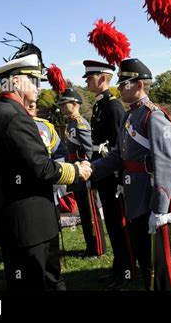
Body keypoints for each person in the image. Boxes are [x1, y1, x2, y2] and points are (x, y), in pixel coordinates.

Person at [0, 34, 92, 291]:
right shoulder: (15, 117)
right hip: (29, 227)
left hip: (20, 224)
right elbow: (42, 167)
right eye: (34, 81)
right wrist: (77, 171)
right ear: (16, 81)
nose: (39, 88)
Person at [91, 58, 171, 291]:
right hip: (133, 198)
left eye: (124, 83)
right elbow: (118, 156)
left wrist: (160, 209)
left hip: (150, 200)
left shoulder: (154, 116)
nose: (118, 87)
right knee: (145, 261)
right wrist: (92, 168)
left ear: (138, 85)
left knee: (161, 266)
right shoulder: (130, 117)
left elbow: (166, 164)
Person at [83, 60, 136, 288]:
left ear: (103, 78)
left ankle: (127, 271)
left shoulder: (113, 106)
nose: (86, 80)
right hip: (102, 174)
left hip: (113, 178)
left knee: (119, 225)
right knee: (113, 226)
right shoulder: (100, 105)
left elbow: (119, 147)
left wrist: (118, 179)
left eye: (90, 76)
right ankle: (118, 267)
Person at [59, 88, 106, 257]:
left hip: (84, 174)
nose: (62, 106)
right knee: (84, 214)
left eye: (65, 103)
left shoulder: (80, 124)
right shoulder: (71, 123)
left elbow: (90, 151)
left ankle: (98, 249)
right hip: (75, 173)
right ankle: (90, 247)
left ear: (75, 104)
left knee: (90, 213)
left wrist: (90, 171)